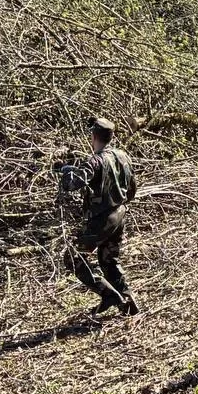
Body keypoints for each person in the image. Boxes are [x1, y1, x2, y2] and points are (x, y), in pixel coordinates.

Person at [59, 117, 139, 316]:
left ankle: (109, 295)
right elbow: (132, 190)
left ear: (93, 136)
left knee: (73, 258)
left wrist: (66, 171)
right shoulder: (123, 156)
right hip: (120, 215)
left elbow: (72, 185)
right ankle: (127, 301)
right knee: (109, 260)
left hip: (101, 220)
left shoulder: (95, 160)